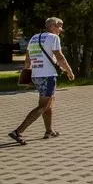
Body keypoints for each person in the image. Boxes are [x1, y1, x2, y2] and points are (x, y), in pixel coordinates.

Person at [8, 17, 75, 145]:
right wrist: (69, 72)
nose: (61, 29)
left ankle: (49, 130)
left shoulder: (34, 38)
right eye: (59, 26)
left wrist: (26, 78)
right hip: (48, 76)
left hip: (36, 75)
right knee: (44, 105)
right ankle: (18, 131)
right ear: (52, 25)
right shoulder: (54, 38)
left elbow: (27, 60)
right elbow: (60, 57)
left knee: (48, 102)